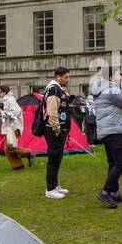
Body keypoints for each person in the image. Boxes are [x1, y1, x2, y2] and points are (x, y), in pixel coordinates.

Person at [92, 69, 122, 208]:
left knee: (113, 162)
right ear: (111, 77)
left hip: (110, 130)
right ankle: (105, 191)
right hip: (114, 130)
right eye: (119, 74)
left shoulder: (106, 88)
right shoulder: (111, 90)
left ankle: (114, 192)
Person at [43, 67, 72, 199]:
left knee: (57, 158)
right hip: (53, 129)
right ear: (58, 76)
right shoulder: (54, 89)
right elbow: (52, 111)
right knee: (53, 158)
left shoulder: (56, 88)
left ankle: (54, 185)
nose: (68, 80)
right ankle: (50, 189)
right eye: (66, 77)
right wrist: (57, 128)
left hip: (57, 128)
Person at [0, 85, 30, 170]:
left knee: (10, 146)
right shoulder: (1, 100)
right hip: (7, 127)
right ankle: (18, 166)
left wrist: (2, 112)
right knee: (7, 149)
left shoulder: (11, 100)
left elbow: (13, 114)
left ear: (5, 92)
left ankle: (28, 154)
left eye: (0, 92)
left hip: (14, 126)